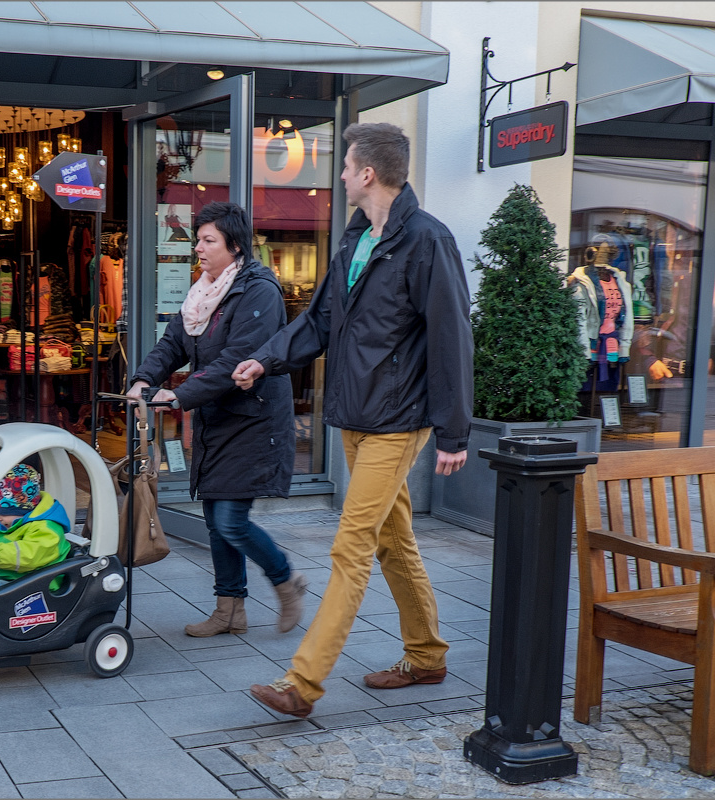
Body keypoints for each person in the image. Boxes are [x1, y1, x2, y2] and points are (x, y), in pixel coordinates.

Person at [232, 122, 473, 717]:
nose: (339, 175)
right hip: (357, 418)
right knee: (395, 543)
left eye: (345, 166)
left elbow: (451, 336)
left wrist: (453, 430)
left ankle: (303, 684)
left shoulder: (428, 241)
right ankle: (426, 657)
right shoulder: (357, 238)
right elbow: (318, 322)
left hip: (398, 420)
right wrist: (264, 360)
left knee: (352, 547)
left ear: (368, 174)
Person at [127, 201, 308, 636]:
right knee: (214, 518)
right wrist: (143, 379)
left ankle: (286, 580)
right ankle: (230, 611)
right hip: (217, 417)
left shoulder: (257, 290)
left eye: (208, 241)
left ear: (234, 244)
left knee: (231, 519)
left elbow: (235, 359)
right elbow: (172, 342)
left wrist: (181, 394)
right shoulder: (203, 292)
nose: (199, 249)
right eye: (198, 240)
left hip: (254, 419)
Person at [0, 464, 73, 585]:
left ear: (21, 512)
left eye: (3, 514)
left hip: (37, 587)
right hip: (12, 578)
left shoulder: (47, 529)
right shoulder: (10, 524)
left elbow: (28, 555)